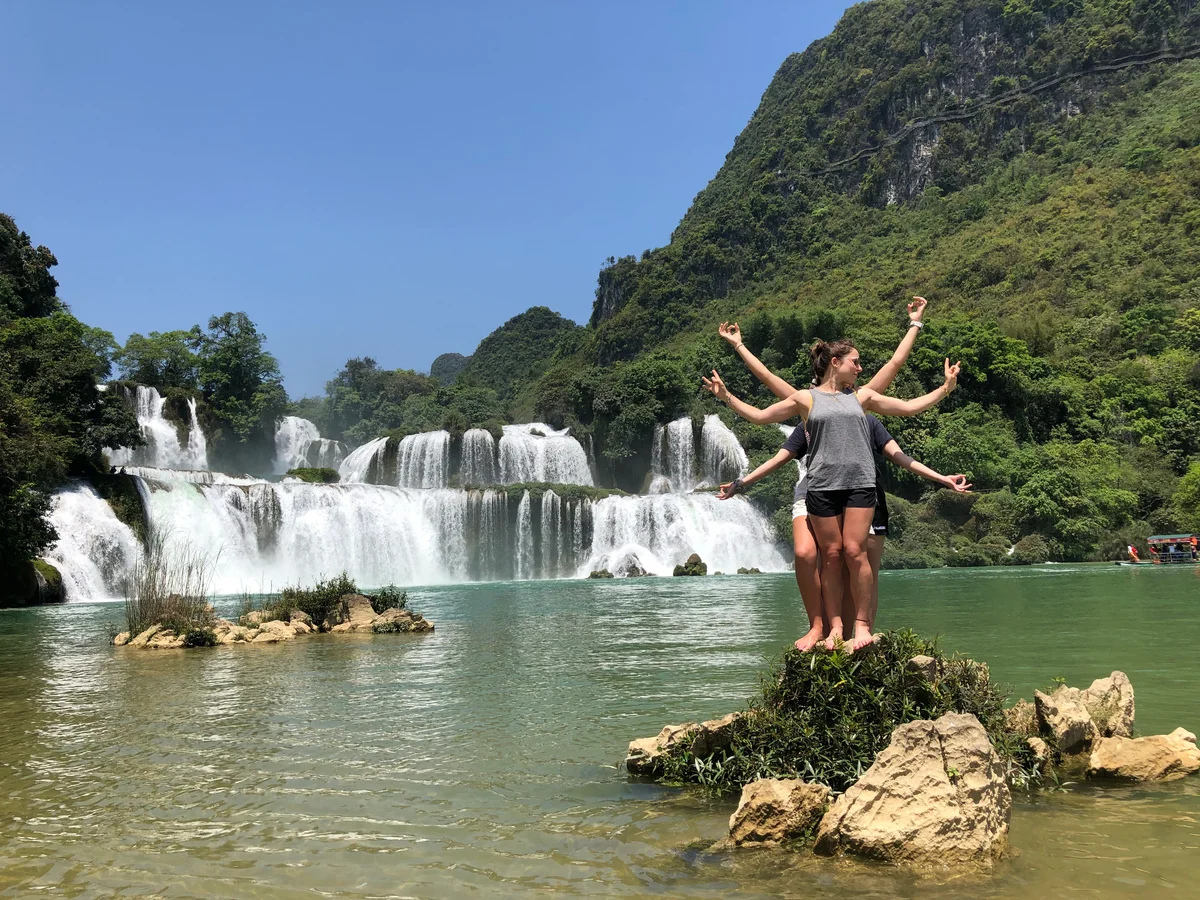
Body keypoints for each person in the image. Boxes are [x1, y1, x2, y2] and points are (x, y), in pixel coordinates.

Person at [703, 341, 960, 651]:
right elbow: (760, 416)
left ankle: (862, 625)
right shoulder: (805, 399)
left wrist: (945, 388)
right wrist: (726, 396)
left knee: (855, 552)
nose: (860, 367)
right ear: (836, 362)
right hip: (822, 487)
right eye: (856, 361)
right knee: (833, 555)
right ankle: (835, 626)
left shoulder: (862, 398)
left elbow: (907, 407)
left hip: (860, 485)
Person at [718, 416, 970, 640]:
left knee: (861, 567)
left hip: (863, 495)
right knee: (828, 562)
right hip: (821, 494)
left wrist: (940, 478)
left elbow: (898, 455)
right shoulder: (809, 423)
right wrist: (742, 482)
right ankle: (826, 631)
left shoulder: (868, 422)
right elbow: (779, 458)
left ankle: (858, 635)